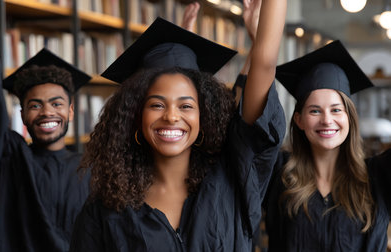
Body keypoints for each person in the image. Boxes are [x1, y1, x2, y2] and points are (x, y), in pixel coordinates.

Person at [69, 0, 287, 250]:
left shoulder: (230, 178)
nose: (172, 116)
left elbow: (265, 64)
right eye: (157, 105)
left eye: (186, 106)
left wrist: (261, 33)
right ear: (136, 117)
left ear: (203, 117)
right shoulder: (106, 209)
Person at [0, 0, 91, 251]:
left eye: (57, 104)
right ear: (22, 115)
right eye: (35, 105)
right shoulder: (10, 157)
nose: (46, 112)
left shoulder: (92, 170)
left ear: (71, 111)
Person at [264, 40, 391, 251]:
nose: (326, 120)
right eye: (315, 111)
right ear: (299, 120)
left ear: (350, 117)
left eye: (336, 110)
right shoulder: (279, 174)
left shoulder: (378, 176)